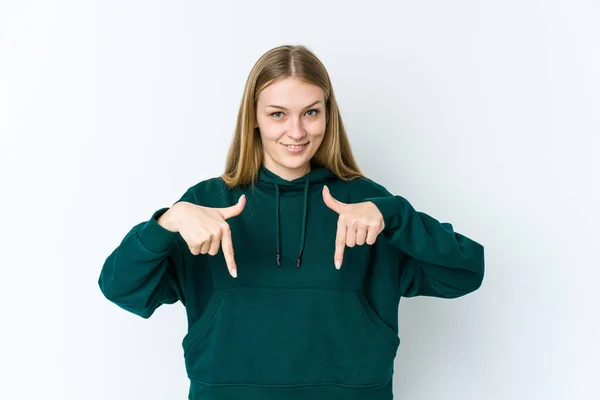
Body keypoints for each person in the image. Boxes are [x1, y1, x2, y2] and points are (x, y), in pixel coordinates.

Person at [98, 44, 485, 400]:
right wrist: (166, 222)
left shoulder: (367, 207)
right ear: (254, 117)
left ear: (327, 115)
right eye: (278, 114)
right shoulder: (205, 206)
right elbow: (121, 289)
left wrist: (396, 215)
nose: (296, 132)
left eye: (311, 112)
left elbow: (466, 272)